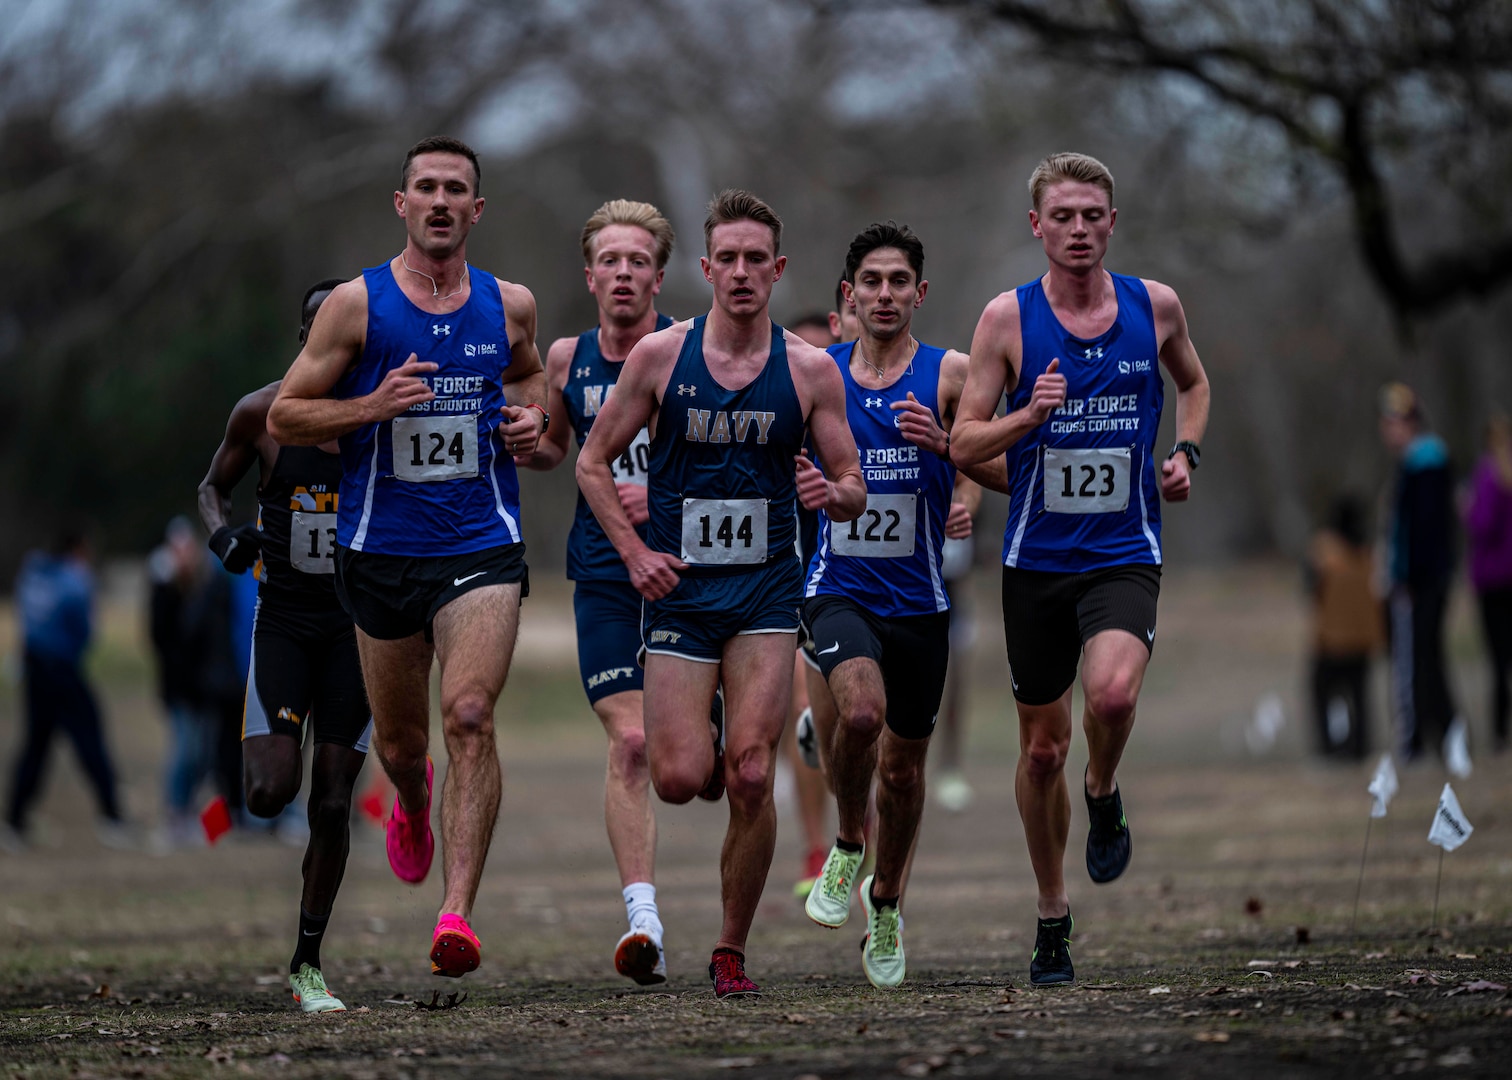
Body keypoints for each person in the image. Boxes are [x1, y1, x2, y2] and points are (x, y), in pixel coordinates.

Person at [267, 135, 547, 979]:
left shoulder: (511, 304)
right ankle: (415, 802)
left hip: (480, 545)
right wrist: (371, 407)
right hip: (380, 551)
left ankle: (456, 914)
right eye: (424, 187)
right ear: (402, 203)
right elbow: (284, 416)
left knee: (468, 715)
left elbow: (531, 384)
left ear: (475, 209)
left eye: (454, 189)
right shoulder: (356, 306)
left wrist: (532, 425)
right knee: (401, 743)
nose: (438, 201)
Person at [576, 189, 865, 998]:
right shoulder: (662, 359)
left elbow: (854, 484)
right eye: (726, 259)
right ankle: (702, 723)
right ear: (705, 270)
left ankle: (730, 948)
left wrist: (830, 495)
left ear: (777, 271)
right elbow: (592, 464)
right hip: (682, 597)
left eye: (755, 261)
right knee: (676, 777)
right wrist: (633, 555)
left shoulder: (808, 371)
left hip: (767, 598)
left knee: (747, 775)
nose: (740, 273)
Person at [952, 152, 1210, 987]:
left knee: (1112, 695)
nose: (1078, 229)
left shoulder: (1154, 305)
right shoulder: (1007, 320)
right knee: (1037, 755)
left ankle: (1103, 787)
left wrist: (1186, 452)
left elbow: (1196, 384)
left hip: (1125, 552)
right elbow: (963, 441)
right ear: (1037, 226)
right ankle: (1052, 913)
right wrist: (1031, 413)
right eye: (1062, 216)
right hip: (1035, 564)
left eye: (1092, 214)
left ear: (1112, 220)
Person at [799, 221, 1008, 987]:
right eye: (871, 282)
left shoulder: (951, 375)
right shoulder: (814, 372)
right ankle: (847, 844)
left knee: (906, 775)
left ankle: (885, 903)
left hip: (920, 600)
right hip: (837, 586)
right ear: (848, 293)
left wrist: (951, 451)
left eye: (899, 283)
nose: (884, 294)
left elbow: (1015, 471)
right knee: (858, 715)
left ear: (919, 293)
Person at [514, 199, 679, 985]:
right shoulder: (567, 358)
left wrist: (667, 498)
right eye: (609, 261)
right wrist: (526, 441)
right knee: (634, 742)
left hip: (690, 576)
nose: (623, 274)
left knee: (699, 767)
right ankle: (642, 919)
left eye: (637, 261)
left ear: (658, 274)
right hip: (604, 571)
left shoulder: (697, 354)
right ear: (590, 276)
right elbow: (554, 450)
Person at [197, 278, 372, 1013]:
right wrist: (223, 538)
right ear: (306, 336)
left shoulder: (378, 418)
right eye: (318, 328)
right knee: (271, 795)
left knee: (332, 803)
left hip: (359, 631)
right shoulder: (263, 414)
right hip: (286, 624)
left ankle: (307, 963)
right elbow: (212, 488)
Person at [3, 530, 129, 854]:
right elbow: (85, 632)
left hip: (33, 670)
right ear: (77, 550)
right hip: (63, 671)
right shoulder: (75, 580)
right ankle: (113, 817)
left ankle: (14, 820)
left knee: (35, 745)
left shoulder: (33, 573)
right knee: (90, 740)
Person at [782, 311, 841, 899]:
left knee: (864, 721)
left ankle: (860, 833)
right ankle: (816, 847)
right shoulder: (778, 412)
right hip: (801, 580)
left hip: (878, 582)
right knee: (805, 717)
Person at [1378, 382, 1461, 765]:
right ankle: (1443, 733)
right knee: (1425, 657)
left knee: (1421, 659)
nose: (1388, 429)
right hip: (1422, 577)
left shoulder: (1425, 462)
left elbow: (1426, 529)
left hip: (1424, 579)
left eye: (1394, 421)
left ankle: (1436, 735)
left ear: (1409, 422)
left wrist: (1408, 576)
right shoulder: (1413, 463)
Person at [148, 516, 242, 849]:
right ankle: (175, 814)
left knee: (202, 754)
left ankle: (186, 813)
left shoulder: (206, 584)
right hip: (179, 690)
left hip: (203, 689)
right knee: (186, 751)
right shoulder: (163, 589)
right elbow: (162, 640)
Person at [1305, 496, 1383, 760]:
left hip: (1332, 639)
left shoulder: (1325, 551)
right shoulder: (1368, 553)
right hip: (1362, 638)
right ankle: (1360, 746)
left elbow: (1310, 588)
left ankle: (1331, 748)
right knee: (1359, 697)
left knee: (1324, 694)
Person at [934, 475, 982, 813]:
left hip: (954, 600)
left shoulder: (965, 476)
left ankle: (950, 765)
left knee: (957, 686)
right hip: (911, 595)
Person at [1465, 413, 1512, 753]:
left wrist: (1467, 509)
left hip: (1493, 576)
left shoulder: (1488, 474)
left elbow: (1483, 524)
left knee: (1498, 659)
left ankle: (1499, 731)